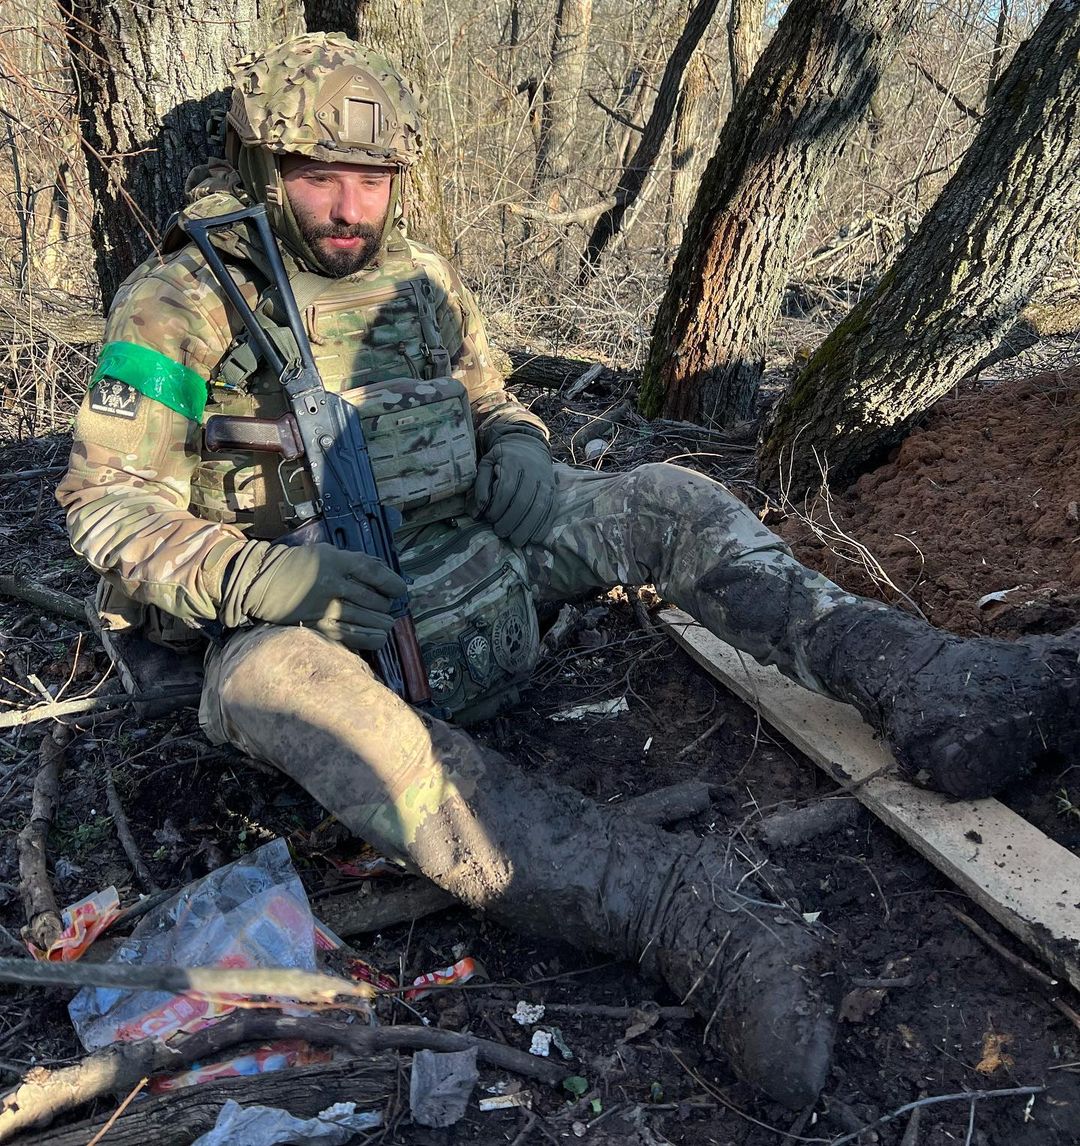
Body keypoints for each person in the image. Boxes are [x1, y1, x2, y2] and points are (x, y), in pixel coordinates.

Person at [57, 33, 1079, 1109]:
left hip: (475, 562)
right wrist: (257, 584)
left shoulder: (420, 280)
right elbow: (103, 500)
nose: (352, 208)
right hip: (314, 627)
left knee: (667, 497)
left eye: (373, 181)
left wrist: (519, 448)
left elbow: (492, 394)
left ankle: (925, 680)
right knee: (277, 684)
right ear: (266, 171)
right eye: (321, 181)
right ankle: (669, 908)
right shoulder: (181, 300)